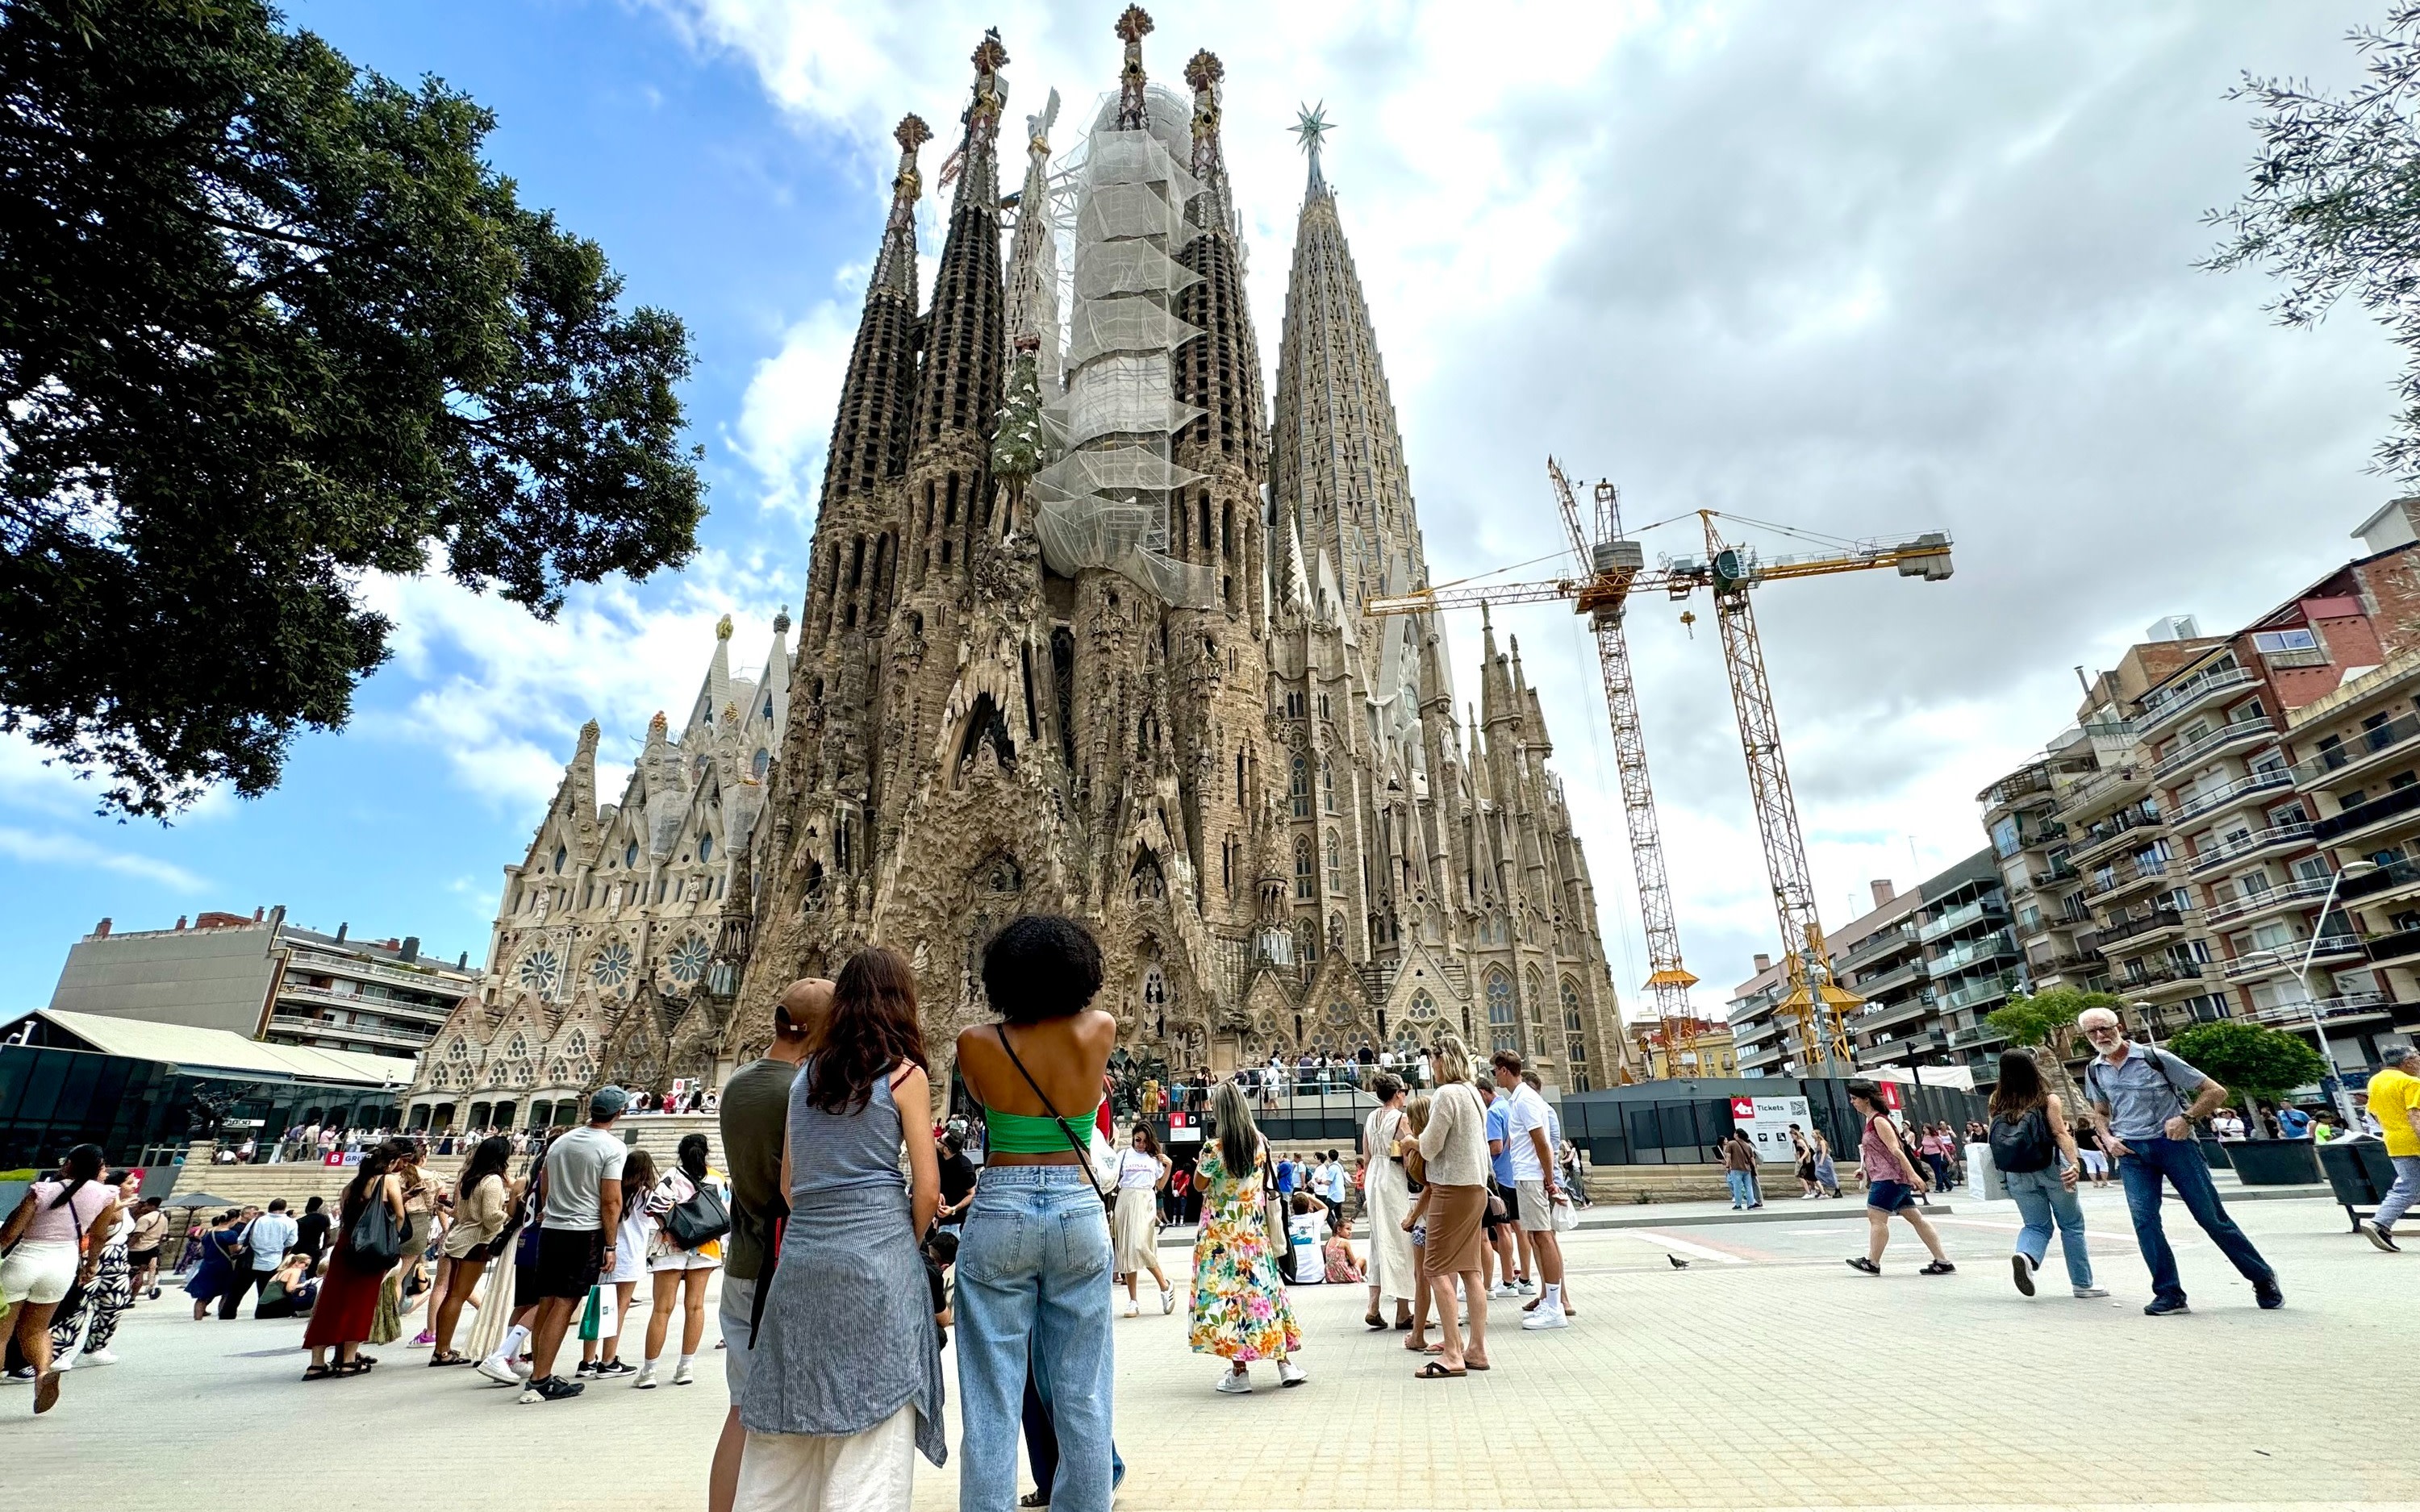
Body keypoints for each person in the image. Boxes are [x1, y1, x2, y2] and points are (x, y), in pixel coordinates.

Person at [739, 946, 945, 1512]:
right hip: (876, 1262)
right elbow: (927, 1188)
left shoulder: (803, 1077)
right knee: (872, 1428)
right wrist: (896, 1237)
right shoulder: (904, 1075)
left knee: (786, 1426)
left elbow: (789, 1185)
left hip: (803, 1262)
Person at [953, 916, 1117, 1511]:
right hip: (1077, 1205)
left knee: (992, 1399)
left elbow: (978, 1098)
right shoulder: (1099, 1029)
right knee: (1083, 1396)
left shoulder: (976, 1042)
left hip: (1001, 1203)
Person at [2078, 1006, 2280, 1315]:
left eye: (2105, 1028)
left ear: (2119, 1026)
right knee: (2144, 1222)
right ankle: (2169, 1293)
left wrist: (2187, 1118)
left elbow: (2216, 1092)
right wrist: (2107, 1137)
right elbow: (2101, 1112)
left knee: (2210, 1217)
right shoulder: (2095, 1070)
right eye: (2092, 1032)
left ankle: (2262, 1277)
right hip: (2132, 1152)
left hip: (2175, 1145)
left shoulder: (2155, 1058)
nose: (2100, 1035)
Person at [711, 979, 827, 1512]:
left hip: (742, 1262)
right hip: (784, 1267)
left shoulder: (738, 1083)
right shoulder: (802, 1091)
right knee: (796, 1417)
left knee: (742, 1408)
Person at [1188, 1078, 1304, 1394]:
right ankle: (1284, 1363)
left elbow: (1199, 1185)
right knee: (1264, 1293)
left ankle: (1239, 1372)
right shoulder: (1260, 1143)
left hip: (1221, 1236)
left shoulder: (1214, 1149)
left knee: (1229, 1299)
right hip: (1253, 1233)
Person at [520, 1086, 631, 1402]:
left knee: (547, 1301)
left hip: (552, 1228)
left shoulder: (561, 1142)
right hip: (583, 1231)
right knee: (566, 1303)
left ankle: (538, 1373)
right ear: (619, 1113)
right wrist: (611, 1245)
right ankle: (541, 1380)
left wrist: (550, 1209)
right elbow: (611, 1201)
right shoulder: (612, 1147)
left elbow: (544, 1184)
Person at [0, 1144, 123, 1414]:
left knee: (1, 1334)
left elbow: (9, 1234)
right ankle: (43, 1374)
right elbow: (99, 1235)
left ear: (68, 1164)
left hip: (25, 1260)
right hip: (62, 1267)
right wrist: (91, 1265)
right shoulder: (106, 1195)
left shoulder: (42, 1191)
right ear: (98, 1167)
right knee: (37, 1330)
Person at [1988, 1051, 2106, 1300]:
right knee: (2071, 1225)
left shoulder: (1996, 1101)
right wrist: (2074, 1164)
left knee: (2035, 1225)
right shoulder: (2047, 1099)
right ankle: (2082, 1284)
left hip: (2017, 1172)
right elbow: (2060, 1133)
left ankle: (2026, 1256)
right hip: (2052, 1168)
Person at [1412, 1034, 1492, 1378]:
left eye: (1433, 1059)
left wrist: (1411, 1141)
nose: (1432, 1066)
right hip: (1476, 1188)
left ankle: (1453, 1353)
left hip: (1451, 1188)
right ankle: (1477, 1348)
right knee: (1471, 1270)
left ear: (1443, 1060)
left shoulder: (1446, 1094)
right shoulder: (1474, 1094)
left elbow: (1430, 1147)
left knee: (1434, 1268)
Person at [302, 1138, 410, 1380]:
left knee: (331, 1302)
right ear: (391, 1162)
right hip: (371, 1248)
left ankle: (316, 1363)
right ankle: (348, 1361)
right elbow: (400, 1215)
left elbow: (346, 1219)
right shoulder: (388, 1180)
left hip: (346, 1246)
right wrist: (391, 1239)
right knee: (360, 1303)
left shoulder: (351, 1186)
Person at [1842, 1082, 1955, 1277]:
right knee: (1916, 1218)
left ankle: (1873, 1262)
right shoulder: (1873, 1120)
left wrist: (1912, 1174)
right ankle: (1943, 1261)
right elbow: (1878, 1152)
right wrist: (1864, 1170)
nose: (1852, 1102)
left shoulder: (1879, 1121)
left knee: (1876, 1218)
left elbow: (1896, 1150)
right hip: (1892, 1177)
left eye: (1854, 1099)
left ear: (1866, 1100)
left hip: (1889, 1178)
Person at [1496, 1052, 1574, 1327]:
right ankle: (1550, 1302)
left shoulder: (1525, 1100)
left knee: (1543, 1237)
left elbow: (1541, 1142)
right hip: (1527, 1176)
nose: (1495, 1077)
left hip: (1531, 1176)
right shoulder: (1520, 1099)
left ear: (1504, 1071)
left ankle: (1554, 1307)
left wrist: (1549, 1179)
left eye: (1495, 1071)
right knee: (1537, 1237)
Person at [639, 1133, 723, 1387]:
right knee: (695, 1307)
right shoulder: (717, 1179)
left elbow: (654, 1208)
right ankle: (686, 1367)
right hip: (706, 1246)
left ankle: (649, 1371)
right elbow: (725, 1214)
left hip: (671, 1245)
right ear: (706, 1152)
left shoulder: (672, 1175)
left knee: (662, 1308)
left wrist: (672, 1229)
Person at [430, 1135, 514, 1364]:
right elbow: (490, 1217)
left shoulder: (470, 1177)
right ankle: (443, 1351)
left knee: (452, 1294)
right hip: (475, 1243)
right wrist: (510, 1214)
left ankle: (441, 1348)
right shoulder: (492, 1181)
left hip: (459, 1238)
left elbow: (459, 1212)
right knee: (458, 1295)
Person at [47, 1168, 140, 1367]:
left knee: (115, 1303)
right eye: (129, 1183)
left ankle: (96, 1347)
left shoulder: (124, 1205)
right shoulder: (104, 1200)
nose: (134, 1186)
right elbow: (96, 1229)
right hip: (96, 1254)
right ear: (117, 1186)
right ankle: (58, 1352)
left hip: (118, 1256)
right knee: (78, 1304)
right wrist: (116, 1205)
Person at [579, 1147, 656, 1381]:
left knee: (596, 1305)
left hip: (606, 1251)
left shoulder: (613, 1189)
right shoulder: (645, 1194)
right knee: (619, 1307)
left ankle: (587, 1360)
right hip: (630, 1254)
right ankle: (608, 1360)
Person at [1359, 1073, 1417, 1331]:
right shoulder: (1401, 1118)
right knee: (1399, 1240)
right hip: (1393, 1179)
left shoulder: (1371, 1117)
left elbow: (1367, 1155)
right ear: (1397, 1093)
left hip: (1374, 1176)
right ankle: (1403, 1311)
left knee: (1377, 1240)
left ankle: (1373, 1306)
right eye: (1403, 1091)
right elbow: (1407, 1155)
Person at [2360, 1043, 2420, 1252]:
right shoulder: (2410, 1082)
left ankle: (2380, 1223)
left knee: (2410, 1186)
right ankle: (2380, 1223)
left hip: (2394, 1141)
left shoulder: (2376, 1081)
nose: (2419, 1061)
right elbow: (2415, 1115)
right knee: (2410, 1187)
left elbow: (2373, 1114)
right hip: (2414, 1141)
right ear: (2407, 1062)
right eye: (2417, 1057)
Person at [1112, 1123, 1174, 1317]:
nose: (1141, 1144)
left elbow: (1160, 1186)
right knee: (1127, 1251)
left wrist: (1168, 1165)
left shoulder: (1154, 1159)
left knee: (1140, 1245)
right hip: (1125, 1199)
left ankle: (1165, 1286)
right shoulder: (1123, 1155)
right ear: (1133, 1138)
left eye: (1145, 1141)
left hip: (1145, 1200)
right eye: (1138, 1140)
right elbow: (1113, 1178)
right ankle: (1133, 1301)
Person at [234, 1197, 297, 1318]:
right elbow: (291, 1241)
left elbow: (242, 1238)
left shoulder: (257, 1220)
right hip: (273, 1261)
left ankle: (227, 1315)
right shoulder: (291, 1222)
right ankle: (262, 1315)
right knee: (265, 1292)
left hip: (251, 1260)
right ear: (284, 1208)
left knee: (237, 1292)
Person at [184, 1209, 248, 1320]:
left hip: (207, 1266)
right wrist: (244, 1247)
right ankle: (223, 1317)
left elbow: (202, 1252)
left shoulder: (208, 1233)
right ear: (233, 1219)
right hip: (223, 1266)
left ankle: (197, 1320)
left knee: (202, 1297)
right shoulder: (230, 1234)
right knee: (226, 1293)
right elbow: (234, 1251)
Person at [253, 1251, 319, 1319]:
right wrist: (305, 1284)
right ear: (297, 1262)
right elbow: (290, 1289)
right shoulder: (296, 1271)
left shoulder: (282, 1271)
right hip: (274, 1309)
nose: (307, 1268)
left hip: (261, 1311)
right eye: (306, 1265)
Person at [936, 1127, 978, 1230]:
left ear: (946, 1149)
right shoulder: (937, 1155)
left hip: (956, 1220)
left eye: (940, 1140)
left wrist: (953, 1209)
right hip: (936, 1214)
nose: (937, 1140)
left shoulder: (964, 1167)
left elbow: (972, 1194)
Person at [125, 1198, 168, 1302]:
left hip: (137, 1249)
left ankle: (127, 1294)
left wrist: (127, 1247)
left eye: (145, 1205)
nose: (143, 1208)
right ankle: (133, 1297)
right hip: (152, 1248)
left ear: (151, 1205)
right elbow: (164, 1235)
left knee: (132, 1272)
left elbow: (138, 1235)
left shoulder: (145, 1219)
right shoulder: (163, 1218)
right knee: (141, 1272)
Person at [1721, 1129, 1760, 1210]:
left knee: (1737, 1187)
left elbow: (1728, 1156)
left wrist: (1727, 1166)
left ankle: (1738, 1205)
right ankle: (1750, 1204)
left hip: (1736, 1168)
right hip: (1747, 1169)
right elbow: (1752, 1159)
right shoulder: (1748, 1146)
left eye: (1735, 1133)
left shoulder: (1731, 1143)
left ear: (1737, 1134)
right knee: (1749, 1187)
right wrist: (1754, 1169)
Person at [292, 1193, 332, 1272]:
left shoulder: (300, 1221)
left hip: (300, 1249)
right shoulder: (324, 1219)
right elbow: (328, 1234)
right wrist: (324, 1247)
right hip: (314, 1248)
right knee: (312, 1271)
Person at [1811, 1128, 1842, 1198]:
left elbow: (1824, 1152)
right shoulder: (1816, 1142)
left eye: (1813, 1133)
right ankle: (1822, 1189)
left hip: (1826, 1160)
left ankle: (1837, 1190)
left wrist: (1821, 1161)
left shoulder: (1822, 1142)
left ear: (1817, 1134)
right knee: (1817, 1174)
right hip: (1818, 1159)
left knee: (1831, 1174)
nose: (1812, 1135)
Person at [1792, 1125, 1820, 1198]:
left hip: (1806, 1161)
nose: (1791, 1137)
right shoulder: (1797, 1142)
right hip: (1805, 1161)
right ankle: (1814, 1191)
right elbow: (1797, 1152)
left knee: (1802, 1176)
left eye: (1792, 1135)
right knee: (1808, 1176)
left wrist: (1801, 1159)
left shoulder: (1800, 1141)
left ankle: (1810, 1192)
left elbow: (1807, 1151)